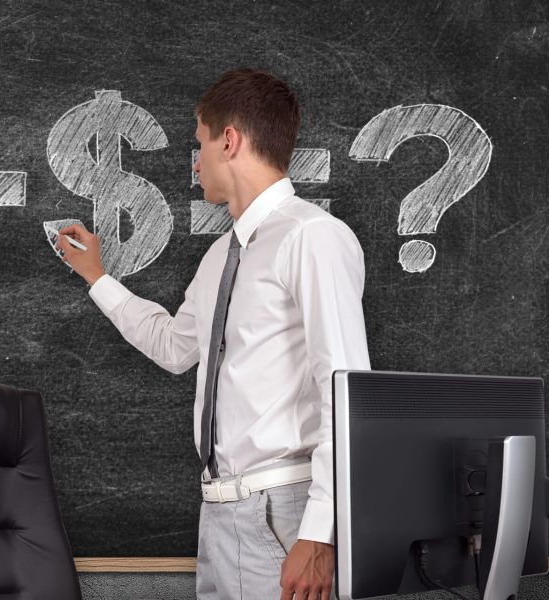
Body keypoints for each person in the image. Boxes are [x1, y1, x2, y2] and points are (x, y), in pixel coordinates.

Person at [55, 68, 371, 600]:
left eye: (199, 143)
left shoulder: (311, 237)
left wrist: (321, 532)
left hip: (284, 508)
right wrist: (99, 279)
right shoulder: (221, 255)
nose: (195, 161)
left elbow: (347, 388)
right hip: (220, 510)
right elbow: (177, 348)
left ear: (230, 140)